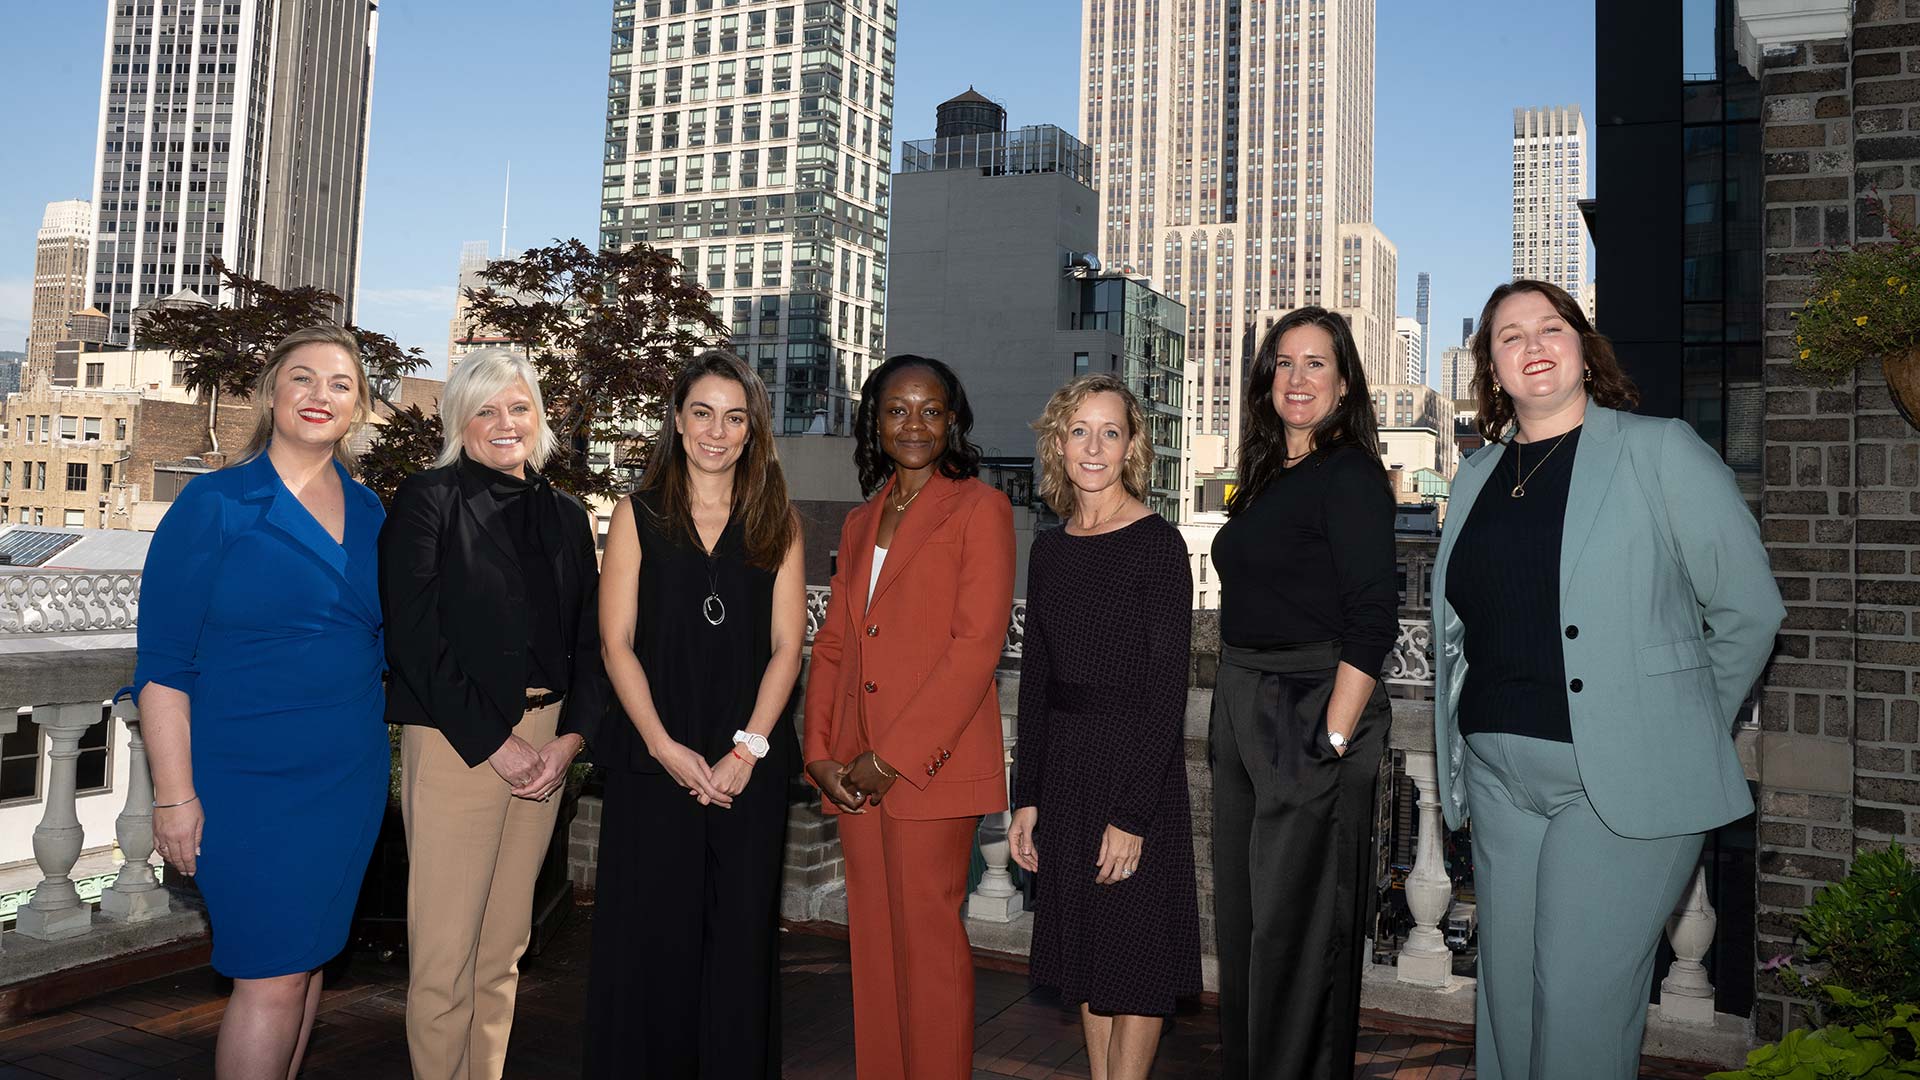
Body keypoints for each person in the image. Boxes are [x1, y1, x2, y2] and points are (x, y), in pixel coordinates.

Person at [1433, 280, 1784, 1080]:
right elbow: (1459, 631)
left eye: (1550, 328)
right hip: (1497, 778)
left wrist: (1676, 724)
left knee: (1579, 1007)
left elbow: (1749, 611)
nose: (1532, 346)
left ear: (1585, 349)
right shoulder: (1476, 475)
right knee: (1509, 1006)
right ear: (1490, 368)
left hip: (1621, 783)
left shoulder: (1659, 450)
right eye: (1509, 337)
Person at [136, 325, 387, 1079]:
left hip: (346, 775)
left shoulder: (375, 512)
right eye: (301, 379)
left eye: (339, 384)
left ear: (359, 407)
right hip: (245, 782)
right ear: (271, 394)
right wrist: (175, 798)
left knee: (307, 965)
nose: (319, 396)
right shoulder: (214, 503)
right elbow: (161, 668)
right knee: (272, 974)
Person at [380, 347, 609, 1080]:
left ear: (539, 417)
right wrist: (497, 745)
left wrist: (569, 740)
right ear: (459, 420)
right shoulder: (429, 498)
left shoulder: (569, 516)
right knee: (446, 954)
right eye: (485, 409)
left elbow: (592, 640)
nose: (504, 423)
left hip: (547, 744)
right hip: (458, 741)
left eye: (518, 407)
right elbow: (414, 641)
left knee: (505, 948)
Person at [582, 351, 806, 1078]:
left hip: (750, 764)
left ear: (752, 431)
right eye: (702, 413)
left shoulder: (778, 519)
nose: (717, 430)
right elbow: (615, 645)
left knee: (740, 943)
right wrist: (663, 747)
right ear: (677, 422)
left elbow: (786, 650)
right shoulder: (636, 514)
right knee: (651, 941)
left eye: (734, 417)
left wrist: (747, 752)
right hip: (656, 761)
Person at [801, 354, 1015, 1080]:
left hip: (929, 767)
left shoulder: (980, 509)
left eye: (930, 409)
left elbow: (974, 648)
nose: (914, 424)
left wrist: (891, 756)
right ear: (876, 421)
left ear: (952, 420)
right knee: (874, 948)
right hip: (855, 769)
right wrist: (821, 753)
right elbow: (834, 644)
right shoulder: (862, 520)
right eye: (897, 409)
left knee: (928, 949)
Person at [1209, 306, 1397, 1079]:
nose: (1297, 378)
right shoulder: (1261, 476)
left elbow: (1373, 617)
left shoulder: (1348, 472)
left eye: (1316, 363)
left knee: (1299, 933)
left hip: (1310, 703)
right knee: (1249, 925)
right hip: (1243, 700)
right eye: (1284, 363)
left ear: (1344, 383)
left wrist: (1334, 736)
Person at [1007, 374, 1200, 1080]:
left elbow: (1164, 691)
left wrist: (1132, 814)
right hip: (1065, 774)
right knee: (1087, 958)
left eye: (1110, 432)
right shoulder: (1050, 549)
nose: (1094, 446)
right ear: (1060, 443)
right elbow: (1036, 681)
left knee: (1136, 961)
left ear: (1130, 448)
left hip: (1132, 775)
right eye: (1080, 430)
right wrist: (1027, 795)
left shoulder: (1158, 545)